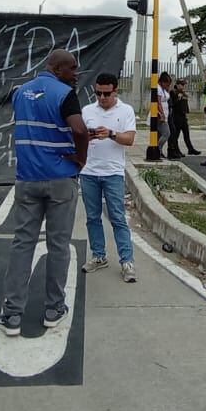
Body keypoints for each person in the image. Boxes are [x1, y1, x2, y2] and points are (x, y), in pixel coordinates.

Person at [0, 50, 89, 336]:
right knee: (58, 245)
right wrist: (80, 158)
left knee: (22, 243)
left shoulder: (20, 93)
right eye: (72, 68)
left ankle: (12, 314)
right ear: (57, 68)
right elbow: (80, 130)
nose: (76, 73)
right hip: (60, 178)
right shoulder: (64, 94)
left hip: (27, 178)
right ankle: (53, 308)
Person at [80, 73, 138, 282]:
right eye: (98, 93)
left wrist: (111, 134)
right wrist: (89, 135)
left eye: (106, 93)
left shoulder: (126, 110)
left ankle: (127, 261)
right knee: (92, 218)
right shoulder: (87, 110)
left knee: (117, 218)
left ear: (115, 91)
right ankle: (98, 256)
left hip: (113, 172)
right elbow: (77, 139)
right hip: (89, 173)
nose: (102, 97)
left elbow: (129, 139)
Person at [168, 79, 202, 157]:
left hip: (183, 116)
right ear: (177, 85)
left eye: (184, 85)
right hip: (176, 116)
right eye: (181, 85)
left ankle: (190, 149)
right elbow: (172, 104)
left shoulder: (183, 93)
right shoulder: (173, 92)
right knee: (176, 135)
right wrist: (178, 99)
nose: (183, 86)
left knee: (186, 134)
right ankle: (176, 150)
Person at [157, 72, 178, 158]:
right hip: (160, 115)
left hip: (165, 114)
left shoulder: (163, 89)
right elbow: (158, 103)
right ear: (162, 82)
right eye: (167, 84)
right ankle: (157, 148)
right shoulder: (158, 89)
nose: (168, 86)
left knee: (159, 134)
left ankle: (159, 151)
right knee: (166, 133)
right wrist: (162, 113)